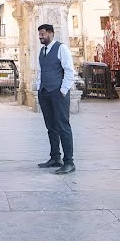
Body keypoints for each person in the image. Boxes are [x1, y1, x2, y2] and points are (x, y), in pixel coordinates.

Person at [33, 23, 76, 174]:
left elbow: (69, 70)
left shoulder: (61, 48)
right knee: (50, 126)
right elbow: (40, 71)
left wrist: (63, 90)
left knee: (63, 126)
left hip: (58, 93)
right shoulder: (42, 51)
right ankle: (55, 157)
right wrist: (39, 87)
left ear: (51, 34)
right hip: (45, 92)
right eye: (39, 34)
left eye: (43, 34)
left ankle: (69, 162)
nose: (40, 37)